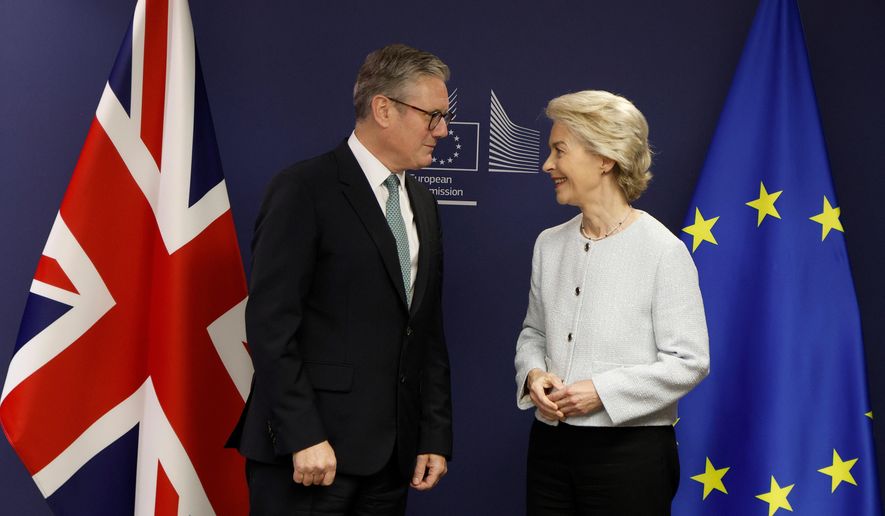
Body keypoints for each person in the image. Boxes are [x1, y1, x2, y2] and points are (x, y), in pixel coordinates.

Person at [227, 44, 453, 515]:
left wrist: (432, 433)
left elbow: (425, 330)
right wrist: (303, 434)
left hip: (391, 462)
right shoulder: (304, 189)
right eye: (433, 116)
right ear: (384, 108)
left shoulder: (425, 206)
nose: (443, 131)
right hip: (309, 458)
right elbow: (271, 325)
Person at [514, 90, 710, 515]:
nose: (547, 164)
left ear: (605, 158)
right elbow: (534, 332)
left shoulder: (663, 251)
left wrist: (602, 392)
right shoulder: (549, 245)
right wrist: (533, 373)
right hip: (549, 448)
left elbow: (690, 361)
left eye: (559, 151)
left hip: (631, 457)